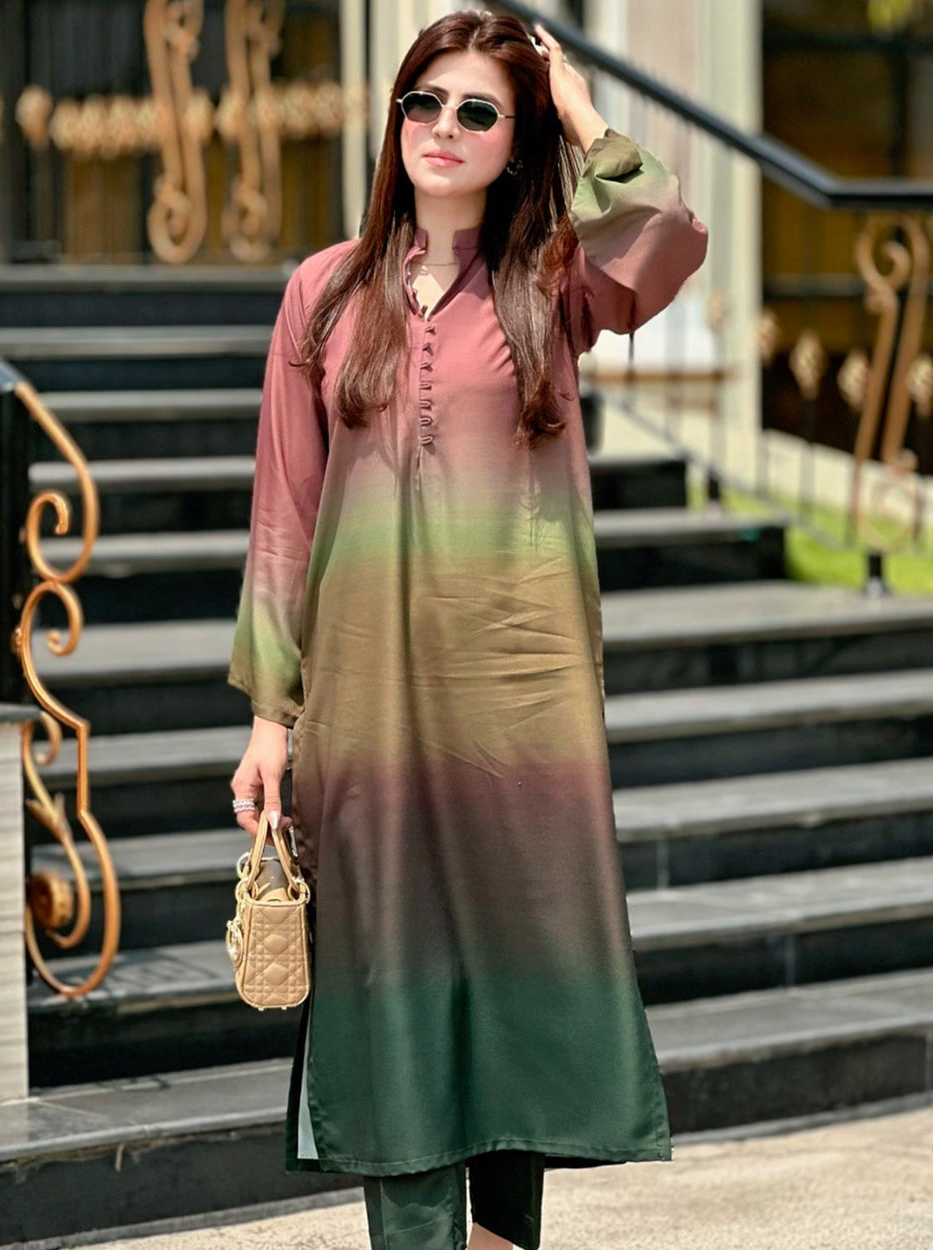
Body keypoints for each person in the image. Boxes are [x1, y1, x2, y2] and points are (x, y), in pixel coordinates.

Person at [229, 10, 707, 1250]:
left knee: (512, 986)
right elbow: (283, 515)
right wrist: (268, 718)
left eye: (477, 111)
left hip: (520, 699)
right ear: (394, 122)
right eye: (423, 104)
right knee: (389, 988)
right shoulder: (321, 292)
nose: (442, 130)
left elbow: (667, 238)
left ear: (519, 136)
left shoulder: (555, 282)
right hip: (367, 701)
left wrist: (584, 109)